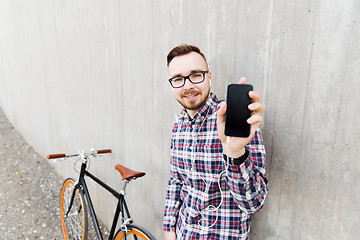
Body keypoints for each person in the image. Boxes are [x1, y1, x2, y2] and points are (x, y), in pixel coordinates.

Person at [163, 44, 268, 240]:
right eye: (178, 79)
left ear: (209, 77)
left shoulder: (233, 121)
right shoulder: (178, 126)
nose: (187, 86)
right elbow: (176, 181)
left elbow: (254, 204)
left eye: (195, 75)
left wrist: (235, 153)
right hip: (184, 233)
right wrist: (169, 230)